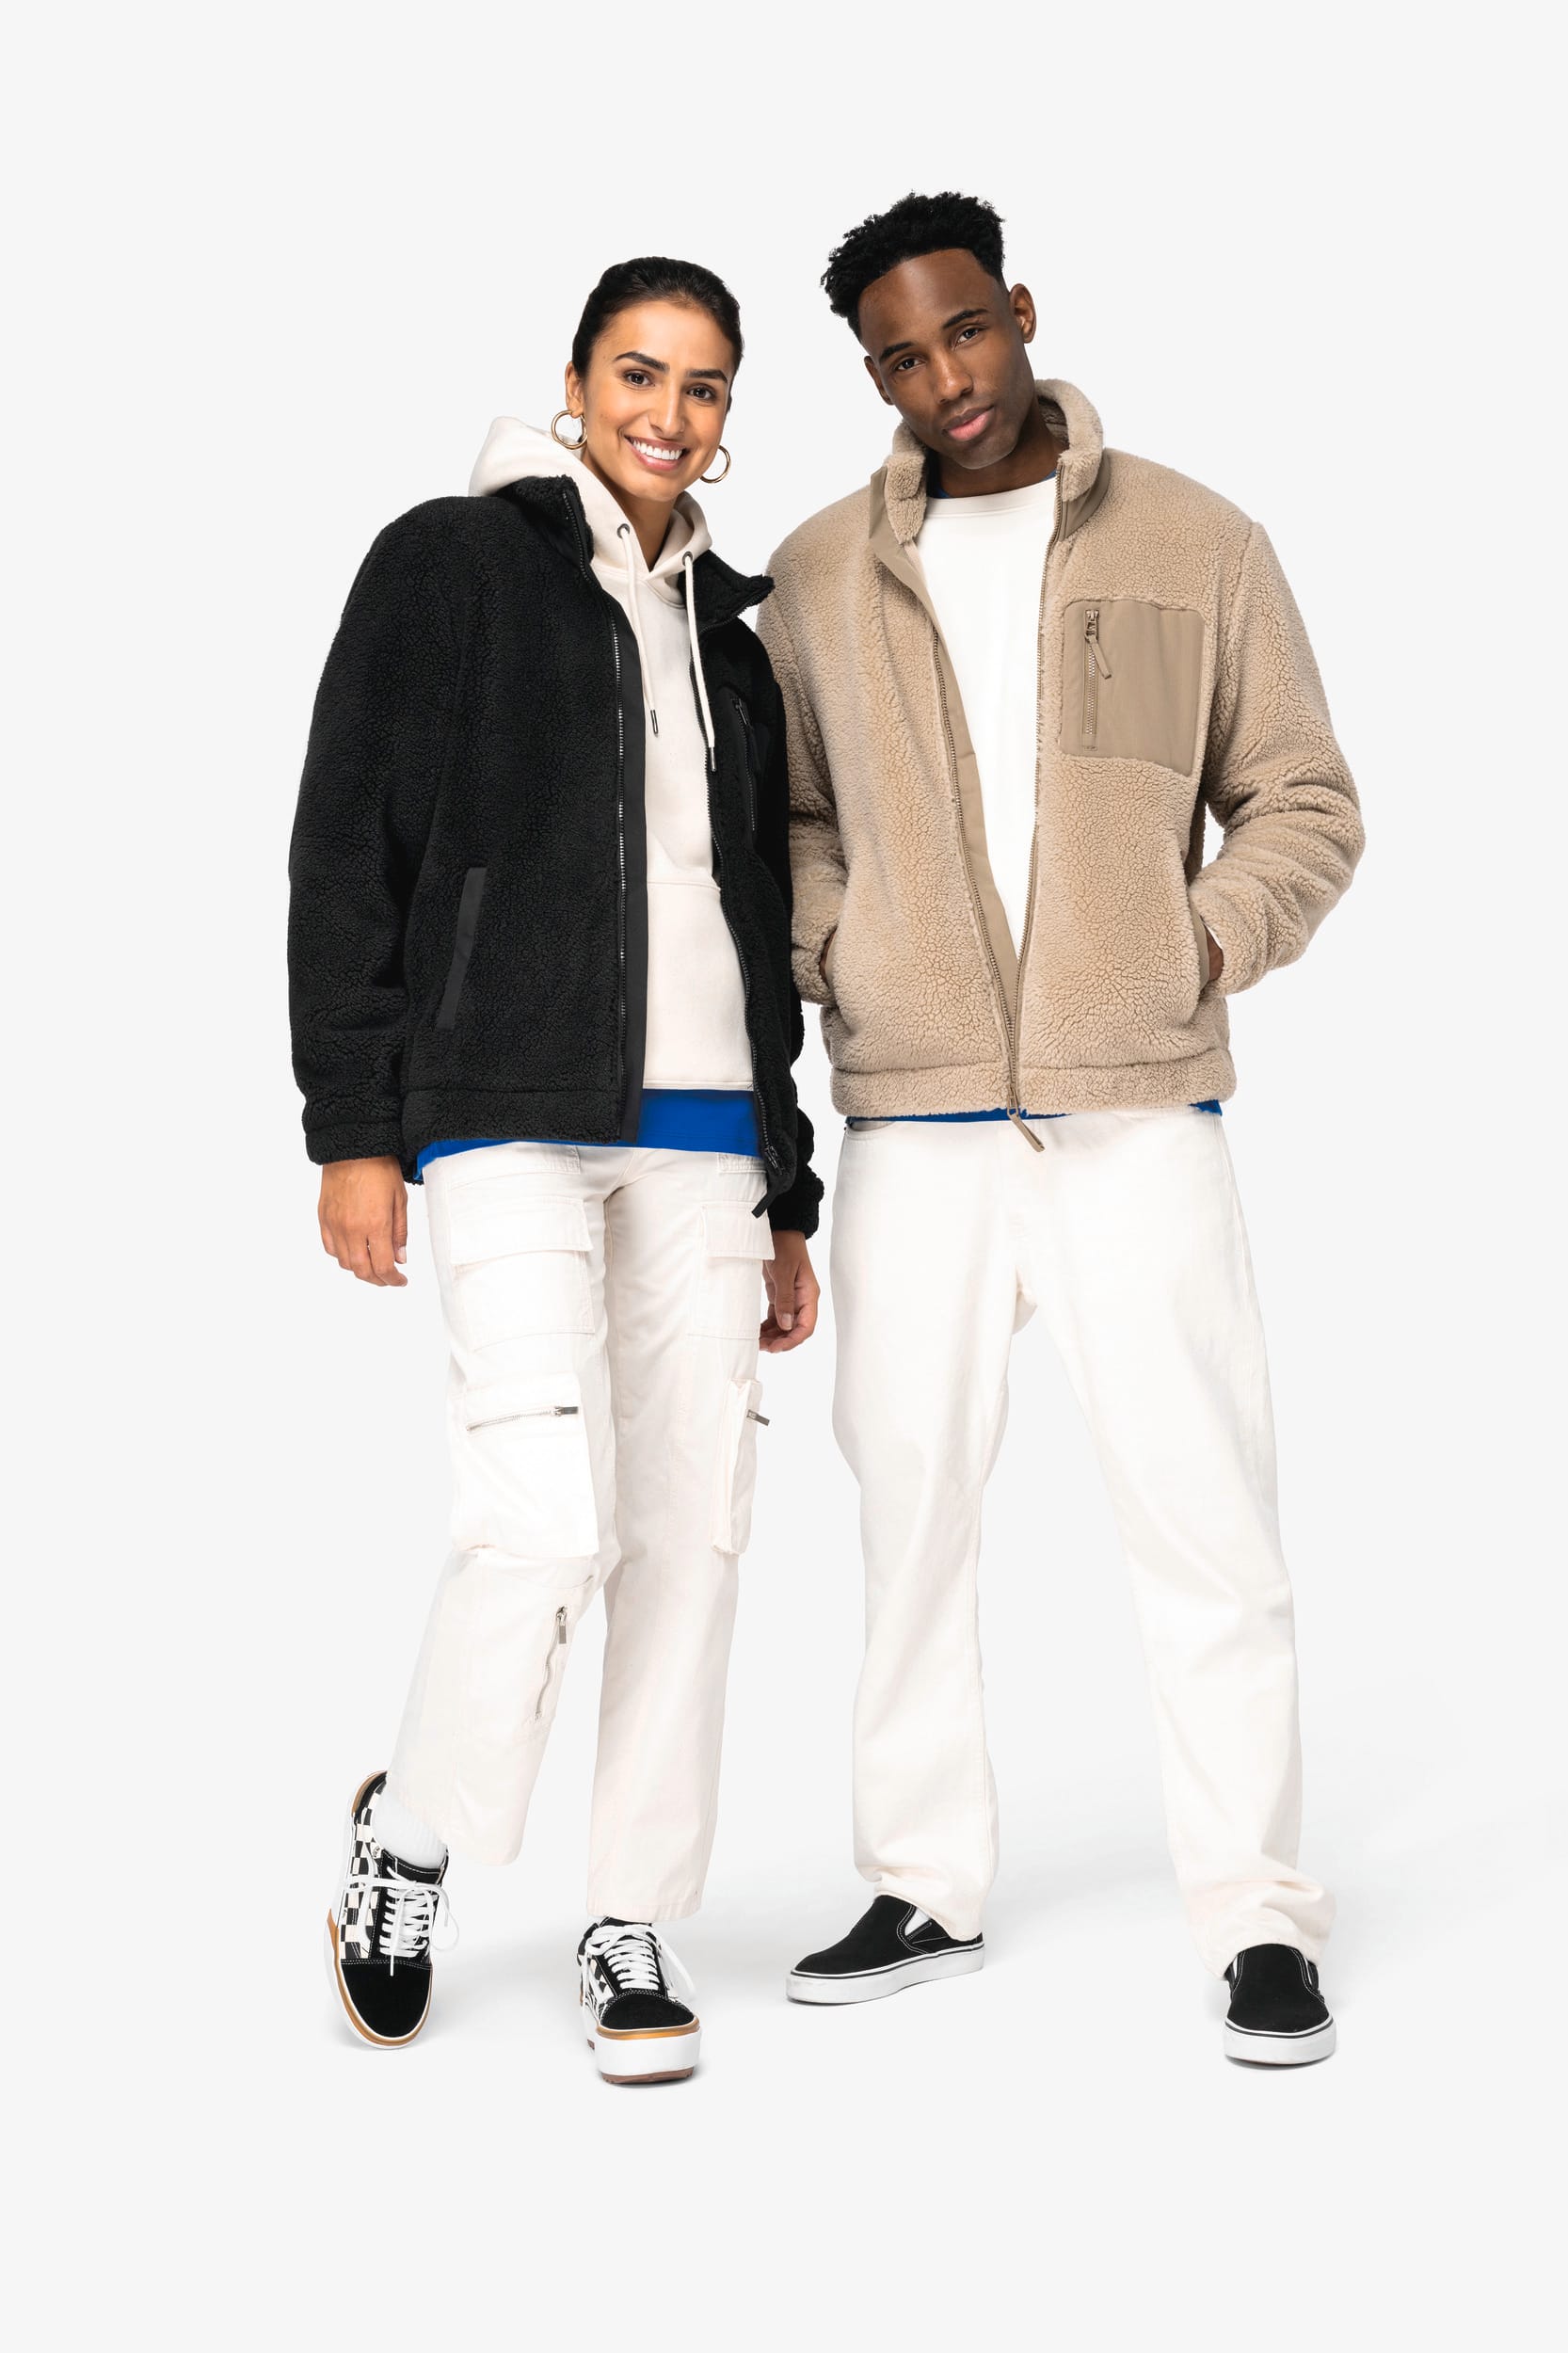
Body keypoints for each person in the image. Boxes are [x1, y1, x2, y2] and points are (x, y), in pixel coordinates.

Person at [760, 193, 1361, 2065]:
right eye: (898, 357)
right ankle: (920, 1881)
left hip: (1136, 1113)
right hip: (915, 1121)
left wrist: (1196, 941)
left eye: (962, 331)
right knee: (910, 1516)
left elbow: (1300, 799)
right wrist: (838, 952)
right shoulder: (818, 572)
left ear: (1017, 308)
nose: (942, 378)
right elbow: (788, 821)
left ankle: (1255, 1913)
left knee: (1205, 1516)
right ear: (871, 374)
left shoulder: (1194, 541)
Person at [289, 256, 822, 2083]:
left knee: (693, 1534)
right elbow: (346, 846)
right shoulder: (450, 561)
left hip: (706, 1135)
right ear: (577, 381)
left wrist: (787, 1186)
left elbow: (757, 911)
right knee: (543, 1524)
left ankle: (630, 1912)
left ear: (727, 413)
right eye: (638, 372)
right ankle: (411, 1836)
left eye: (702, 384)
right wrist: (355, 1127)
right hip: (505, 1108)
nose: (668, 412)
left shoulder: (729, 634)